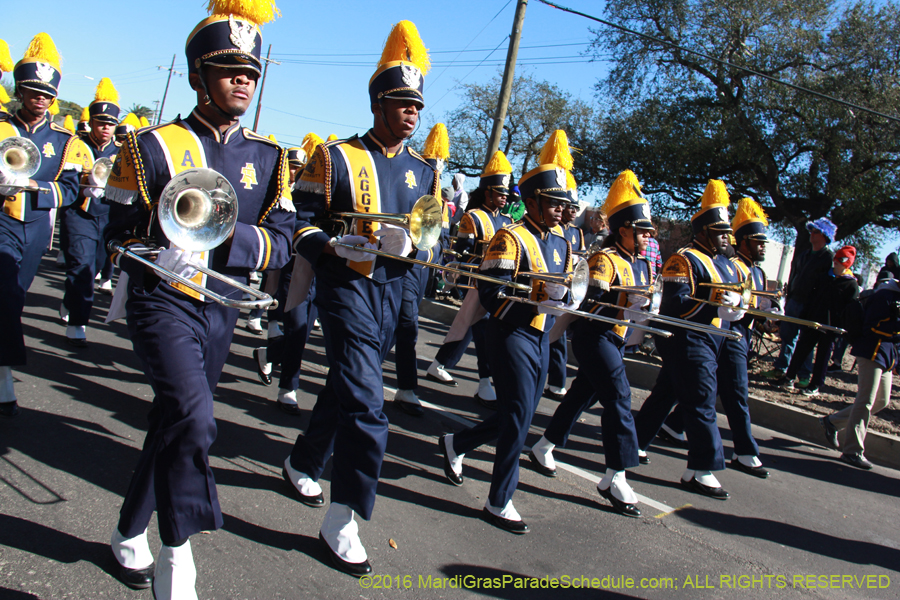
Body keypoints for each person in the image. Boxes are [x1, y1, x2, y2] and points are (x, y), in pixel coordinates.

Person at [104, 2, 293, 597]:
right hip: (162, 297)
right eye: (229, 67)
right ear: (196, 75)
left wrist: (217, 236)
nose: (243, 78)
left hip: (220, 306)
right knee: (193, 415)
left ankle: (127, 529)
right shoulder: (151, 146)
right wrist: (154, 243)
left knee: (172, 421)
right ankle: (177, 551)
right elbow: (116, 229)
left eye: (252, 71)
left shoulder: (270, 158)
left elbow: (283, 243)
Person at [283, 20, 437, 576]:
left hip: (393, 289)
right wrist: (332, 244)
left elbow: (429, 236)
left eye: (417, 104)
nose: (411, 112)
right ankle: (342, 517)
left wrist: (417, 248)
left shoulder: (425, 172)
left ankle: (302, 458)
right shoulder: (335, 157)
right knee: (370, 404)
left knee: (345, 386)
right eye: (401, 102)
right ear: (377, 103)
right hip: (345, 285)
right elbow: (297, 222)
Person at [438, 130, 575, 534]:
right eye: (552, 203)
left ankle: (456, 444)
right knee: (518, 414)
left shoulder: (563, 243)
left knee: (522, 413)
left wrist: (561, 301)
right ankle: (500, 499)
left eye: (562, 205)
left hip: (540, 334)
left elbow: (567, 286)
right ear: (531, 202)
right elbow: (491, 293)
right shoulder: (509, 237)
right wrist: (537, 299)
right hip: (510, 332)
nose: (558, 211)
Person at [529, 169, 656, 517]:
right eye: (641, 231)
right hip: (594, 336)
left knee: (581, 396)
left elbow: (640, 306)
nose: (646, 237)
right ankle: (616, 475)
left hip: (617, 339)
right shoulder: (605, 259)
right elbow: (590, 303)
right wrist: (623, 298)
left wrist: (645, 305)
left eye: (647, 232)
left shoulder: (642, 264)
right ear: (624, 230)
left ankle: (544, 446)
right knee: (619, 397)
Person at [633, 180, 743, 500]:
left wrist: (736, 306)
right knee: (701, 398)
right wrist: (713, 301)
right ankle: (701, 468)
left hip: (713, 338)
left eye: (727, 232)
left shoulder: (727, 263)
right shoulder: (684, 259)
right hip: (687, 337)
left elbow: (732, 300)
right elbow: (674, 306)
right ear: (704, 231)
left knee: (666, 393)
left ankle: (633, 442)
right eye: (720, 231)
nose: (726, 237)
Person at [0, 33, 82, 418]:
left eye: (47, 94)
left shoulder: (64, 141)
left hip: (34, 225)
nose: (40, 98)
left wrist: (34, 185)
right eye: (33, 90)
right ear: (20, 90)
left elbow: (68, 189)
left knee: (13, 298)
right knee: (6, 296)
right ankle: (3, 380)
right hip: (1, 218)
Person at [426, 150, 515, 406]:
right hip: (476, 279)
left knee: (471, 323)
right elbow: (463, 253)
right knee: (483, 327)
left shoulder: (508, 220)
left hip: (497, 281)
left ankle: (440, 363)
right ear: (487, 192)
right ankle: (485, 381)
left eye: (505, 194)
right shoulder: (472, 216)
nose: (504, 197)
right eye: (499, 193)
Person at [253, 135, 324, 415]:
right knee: (295, 326)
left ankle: (269, 353)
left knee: (303, 331)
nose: (297, 171)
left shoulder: (318, 193)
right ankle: (288, 388)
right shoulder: (282, 189)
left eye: (301, 167)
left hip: (317, 268)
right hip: (291, 268)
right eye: (293, 167)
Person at [58, 78, 122, 347]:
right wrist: (84, 188)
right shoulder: (76, 145)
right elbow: (66, 181)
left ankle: (69, 299)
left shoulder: (122, 152)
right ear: (92, 122)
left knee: (95, 266)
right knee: (82, 266)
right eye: (100, 122)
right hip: (79, 214)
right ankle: (77, 325)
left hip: (106, 216)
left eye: (110, 124)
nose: (105, 128)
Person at [391, 122, 449, 416]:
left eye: (441, 165)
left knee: (406, 325)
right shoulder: (409, 181)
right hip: (392, 257)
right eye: (433, 164)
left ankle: (405, 388)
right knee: (397, 325)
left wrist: (431, 250)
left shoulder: (438, 200)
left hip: (418, 267)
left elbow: (442, 238)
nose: (437, 169)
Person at [722, 197, 777, 478]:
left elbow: (761, 304)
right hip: (730, 333)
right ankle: (745, 451)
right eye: (758, 242)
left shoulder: (758, 271)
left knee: (685, 388)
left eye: (764, 242)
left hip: (744, 332)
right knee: (737, 391)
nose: (763, 247)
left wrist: (769, 316)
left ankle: (670, 425)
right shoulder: (732, 266)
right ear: (742, 241)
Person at [821, 277, 900, 470]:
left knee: (881, 401)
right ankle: (852, 451)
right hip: (871, 351)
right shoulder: (884, 296)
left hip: (886, 355)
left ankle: (832, 421)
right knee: (865, 401)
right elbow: (871, 327)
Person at [780, 246, 859, 397]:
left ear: (847, 263)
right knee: (801, 349)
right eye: (836, 258)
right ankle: (789, 377)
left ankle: (815, 385)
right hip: (813, 321)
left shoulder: (851, 284)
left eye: (841, 260)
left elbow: (850, 310)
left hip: (831, 327)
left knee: (823, 356)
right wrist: (806, 315)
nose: (836, 262)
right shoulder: (824, 277)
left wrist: (842, 327)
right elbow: (811, 297)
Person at [765, 217, 836, 383]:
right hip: (794, 300)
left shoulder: (828, 258)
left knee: (805, 341)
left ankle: (803, 375)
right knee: (788, 336)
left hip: (810, 305)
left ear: (825, 236)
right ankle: (781, 368)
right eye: (811, 230)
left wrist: (815, 305)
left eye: (816, 231)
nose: (811, 234)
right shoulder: (804, 254)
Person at [544, 182, 587, 401]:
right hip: (547, 288)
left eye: (573, 208)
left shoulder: (577, 232)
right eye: (567, 206)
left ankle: (556, 383)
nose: (570, 211)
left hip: (565, 290)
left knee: (557, 337)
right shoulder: (552, 228)